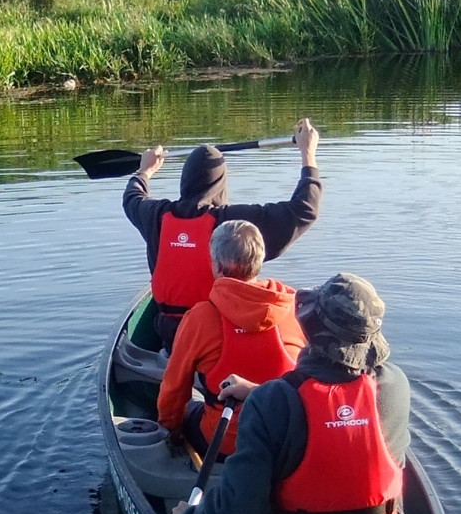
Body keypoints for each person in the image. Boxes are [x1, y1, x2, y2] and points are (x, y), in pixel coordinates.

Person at [169, 273, 411, 514]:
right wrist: (259, 393)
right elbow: (339, 410)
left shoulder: (272, 404)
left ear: (310, 329)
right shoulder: (395, 387)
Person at [123, 118, 321, 352]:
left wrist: (145, 171)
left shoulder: (155, 215)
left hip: (171, 335)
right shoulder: (234, 225)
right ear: (220, 184)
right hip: (222, 336)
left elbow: (132, 197)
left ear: (185, 180)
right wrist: (308, 155)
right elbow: (304, 209)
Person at [157, 219, 306, 459]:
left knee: (187, 411)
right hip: (287, 441)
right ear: (260, 261)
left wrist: (170, 431)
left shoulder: (200, 317)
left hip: (225, 441)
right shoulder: (296, 308)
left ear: (216, 264)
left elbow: (174, 390)